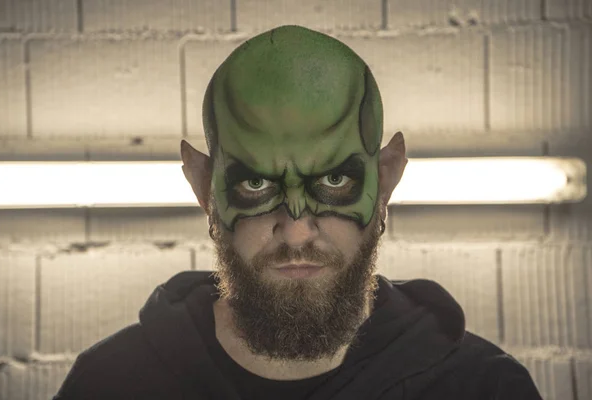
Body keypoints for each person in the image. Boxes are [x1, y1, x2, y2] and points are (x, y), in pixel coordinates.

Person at [53, 25, 542, 399]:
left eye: (334, 181)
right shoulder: (110, 384)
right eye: (255, 183)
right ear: (205, 188)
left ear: (386, 179)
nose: (297, 230)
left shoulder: (482, 387)